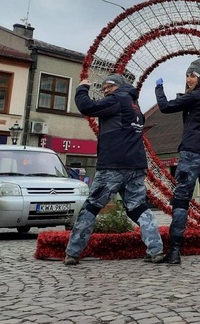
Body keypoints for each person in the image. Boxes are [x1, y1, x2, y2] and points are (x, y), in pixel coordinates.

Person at [64, 74, 164, 265]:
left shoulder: (117, 100)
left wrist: (82, 89)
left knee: (91, 206)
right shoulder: (135, 106)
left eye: (107, 87)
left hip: (113, 165)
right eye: (103, 89)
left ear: (116, 86)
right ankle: (156, 249)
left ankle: (73, 252)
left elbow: (87, 107)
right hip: (136, 165)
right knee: (137, 207)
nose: (104, 91)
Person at [155, 59, 200, 265]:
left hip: (192, 152)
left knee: (181, 199)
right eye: (187, 76)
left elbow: (165, 106)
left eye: (192, 76)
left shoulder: (194, 96)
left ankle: (175, 251)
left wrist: (159, 88)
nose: (188, 80)